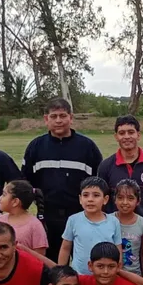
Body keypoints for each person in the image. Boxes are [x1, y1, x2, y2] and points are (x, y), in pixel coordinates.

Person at [22, 98, 103, 261]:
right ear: (46, 119)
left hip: (81, 215)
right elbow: (25, 182)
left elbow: (99, 182)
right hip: (48, 217)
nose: (58, 120)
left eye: (62, 115)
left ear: (70, 118)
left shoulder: (87, 147)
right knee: (50, 263)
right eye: (53, 116)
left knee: (85, 261)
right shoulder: (35, 147)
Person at [98, 114, 143, 223]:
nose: (126, 136)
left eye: (131, 132)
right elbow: (102, 200)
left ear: (138, 135)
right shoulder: (106, 166)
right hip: (116, 227)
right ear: (116, 137)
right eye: (121, 133)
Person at [58, 176, 122, 275]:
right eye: (86, 195)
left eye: (96, 195)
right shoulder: (73, 220)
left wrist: (117, 271)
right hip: (80, 276)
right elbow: (65, 248)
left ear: (105, 199)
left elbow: (118, 250)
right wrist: (61, 272)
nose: (90, 199)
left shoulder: (114, 222)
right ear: (80, 199)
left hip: (105, 275)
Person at [0, 180, 49, 256]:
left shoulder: (35, 225)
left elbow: (40, 256)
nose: (0, 197)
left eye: (4, 194)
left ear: (15, 202)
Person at [111, 179, 143, 276]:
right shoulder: (107, 221)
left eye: (130, 198)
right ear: (115, 199)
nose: (125, 202)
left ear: (138, 201)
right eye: (120, 198)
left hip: (134, 275)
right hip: (111, 275)